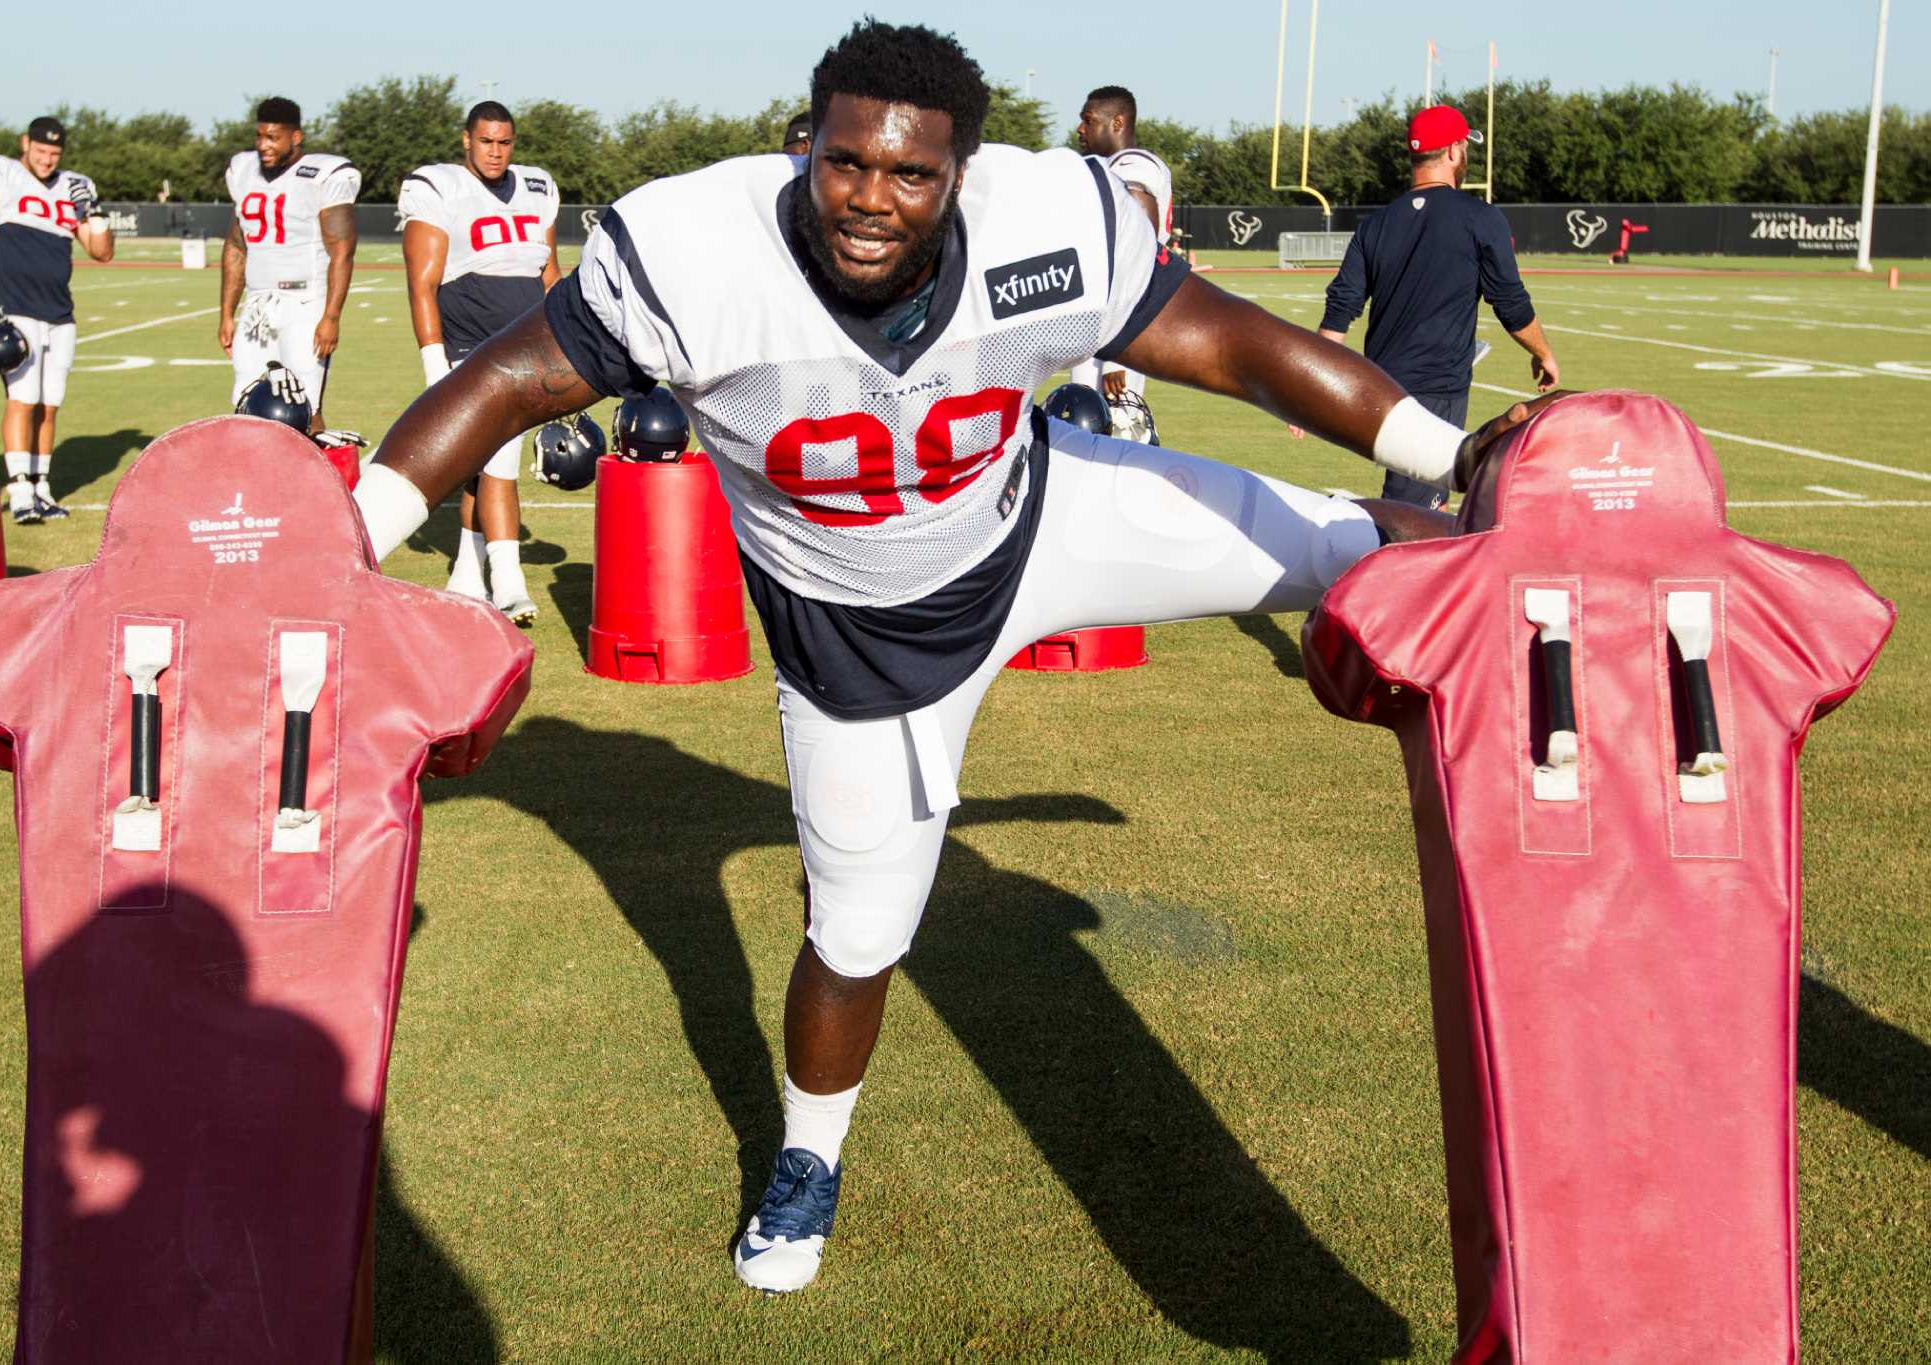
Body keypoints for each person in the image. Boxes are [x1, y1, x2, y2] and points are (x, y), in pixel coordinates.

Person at [348, 19, 1553, 1296]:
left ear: (959, 174)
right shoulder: (698, 249)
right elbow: (504, 384)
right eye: (845, 163)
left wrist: (1455, 453)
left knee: (1340, 539)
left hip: (1043, 519)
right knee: (858, 937)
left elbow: (1232, 345)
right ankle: (807, 1159)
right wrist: (349, 537)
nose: (871, 198)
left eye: (909, 173)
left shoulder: (1045, 221)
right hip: (857, 641)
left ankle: (1525, 569)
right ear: (803, 144)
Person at [1311, 104, 1559, 509]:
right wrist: (1543, 353)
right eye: (1464, 147)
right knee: (1409, 513)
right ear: (1452, 152)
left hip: (1378, 387)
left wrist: (1311, 386)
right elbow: (1510, 303)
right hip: (1433, 389)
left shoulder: (1375, 224)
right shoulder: (1480, 218)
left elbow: (1340, 310)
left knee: (1431, 499)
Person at [397, 101, 561, 623]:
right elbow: (421, 283)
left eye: (505, 142)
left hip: (526, 345)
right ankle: (508, 581)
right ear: (467, 140)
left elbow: (551, 275)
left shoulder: (537, 187)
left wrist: (564, 349)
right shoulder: (439, 186)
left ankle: (467, 575)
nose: (496, 151)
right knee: (499, 464)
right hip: (470, 349)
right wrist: (433, 367)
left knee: (483, 465)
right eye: (486, 141)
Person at [0, 117, 114, 524]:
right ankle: (20, 490)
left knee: (49, 405)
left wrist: (94, 213)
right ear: (25, 143)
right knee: (22, 399)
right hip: (14, 307)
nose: (47, 160)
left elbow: (101, 252)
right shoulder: (2, 174)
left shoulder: (72, 186)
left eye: (54, 154)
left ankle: (42, 486)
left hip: (59, 312)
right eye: (41, 151)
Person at [219, 97, 359, 432]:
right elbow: (237, 246)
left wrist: (331, 316)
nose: (263, 145)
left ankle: (321, 483)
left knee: (305, 407)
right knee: (246, 402)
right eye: (259, 136)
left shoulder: (323, 174)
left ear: (295, 137)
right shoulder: (243, 170)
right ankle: (255, 483)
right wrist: (227, 312)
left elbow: (342, 250)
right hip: (258, 305)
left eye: (273, 138)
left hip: (305, 302)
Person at [1071, 85, 1172, 426]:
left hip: (1120, 324)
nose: (1080, 129)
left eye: (1088, 120)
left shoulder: (1133, 166)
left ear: (1117, 123)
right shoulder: (1107, 166)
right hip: (1102, 320)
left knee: (1115, 431)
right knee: (1084, 430)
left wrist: (1118, 356)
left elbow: (1133, 255)